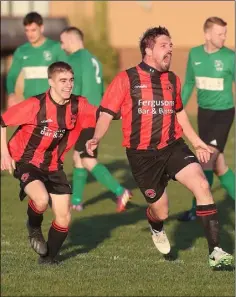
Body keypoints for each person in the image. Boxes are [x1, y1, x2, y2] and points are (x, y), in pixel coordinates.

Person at [86, 27, 234, 269]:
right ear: (148, 50)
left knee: (202, 184)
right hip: (142, 156)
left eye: (171, 45)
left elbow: (179, 114)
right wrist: (96, 138)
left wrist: (196, 142)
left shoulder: (172, 80)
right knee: (161, 211)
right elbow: (105, 113)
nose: (171, 49)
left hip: (172, 146)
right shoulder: (127, 79)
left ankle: (215, 251)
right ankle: (156, 226)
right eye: (165, 45)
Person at [1, 61, 97, 265]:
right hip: (26, 161)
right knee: (42, 199)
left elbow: (102, 114)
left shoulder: (78, 105)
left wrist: (128, 108)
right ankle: (34, 228)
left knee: (64, 217)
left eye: (71, 80)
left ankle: (48, 259)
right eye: (62, 81)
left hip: (54, 165)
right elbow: (2, 122)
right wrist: (4, 154)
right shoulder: (35, 105)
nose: (68, 85)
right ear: (50, 82)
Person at [60, 26, 132, 212]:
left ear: (71, 40)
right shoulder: (94, 60)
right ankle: (76, 201)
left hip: (83, 115)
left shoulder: (74, 59)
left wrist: (67, 112)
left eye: (63, 41)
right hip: (96, 114)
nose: (61, 45)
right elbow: (99, 90)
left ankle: (119, 191)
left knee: (87, 159)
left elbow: (74, 89)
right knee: (79, 156)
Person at [178, 17, 235, 222]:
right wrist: (177, 109)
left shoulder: (230, 57)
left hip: (223, 114)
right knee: (218, 165)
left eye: (225, 33)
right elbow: (189, 83)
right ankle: (198, 209)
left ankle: (199, 210)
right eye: (220, 33)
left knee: (207, 160)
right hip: (204, 114)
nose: (224, 37)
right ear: (207, 34)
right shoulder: (195, 54)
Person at [6, 11, 67, 108]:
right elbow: (11, 76)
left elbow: (67, 75)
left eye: (33, 30)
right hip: (30, 105)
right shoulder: (21, 51)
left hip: (52, 105)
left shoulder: (55, 48)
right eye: (27, 30)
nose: (30, 34)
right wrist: (11, 94)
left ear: (42, 28)